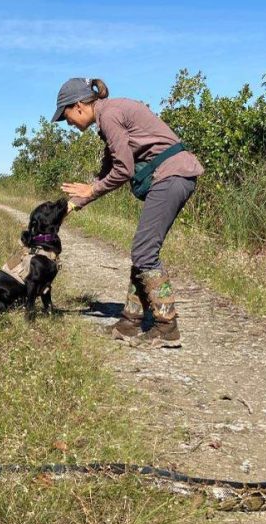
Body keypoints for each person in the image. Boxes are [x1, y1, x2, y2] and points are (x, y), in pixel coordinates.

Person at [54, 77, 203, 348]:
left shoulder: (110, 116)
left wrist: (91, 190)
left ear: (78, 106)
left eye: (67, 118)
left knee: (145, 252)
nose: (70, 125)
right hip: (172, 176)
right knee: (142, 251)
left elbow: (124, 170)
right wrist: (72, 205)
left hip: (171, 177)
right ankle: (130, 322)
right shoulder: (109, 115)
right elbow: (108, 169)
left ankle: (167, 326)